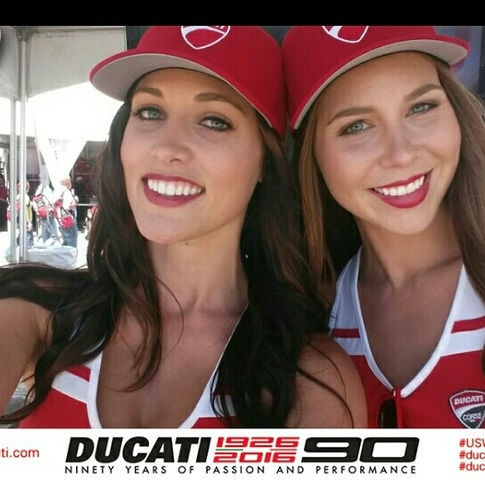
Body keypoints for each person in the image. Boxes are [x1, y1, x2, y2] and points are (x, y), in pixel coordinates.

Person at [0, 25, 366, 428]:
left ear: (266, 158)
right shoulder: (40, 314)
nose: (167, 148)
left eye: (214, 121)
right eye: (150, 112)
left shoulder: (310, 376)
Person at [282, 25, 485, 428]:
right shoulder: (310, 315)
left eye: (421, 108)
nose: (401, 154)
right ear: (310, 154)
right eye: (356, 126)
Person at [54, 176, 78, 249]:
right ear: (67, 182)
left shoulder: (56, 191)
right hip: (69, 222)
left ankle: (64, 256)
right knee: (72, 247)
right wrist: (75, 201)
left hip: (60, 222)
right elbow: (67, 207)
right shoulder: (66, 192)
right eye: (70, 181)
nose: (71, 183)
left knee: (65, 244)